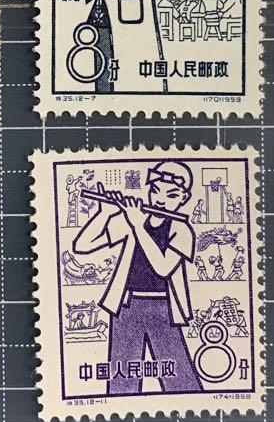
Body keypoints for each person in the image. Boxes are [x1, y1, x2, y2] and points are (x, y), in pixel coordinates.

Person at [72, 160, 203, 396]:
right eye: (156, 191)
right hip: (126, 306)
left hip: (163, 308)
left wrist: (137, 227)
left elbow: (163, 268)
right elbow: (82, 246)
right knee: (121, 382)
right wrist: (104, 213)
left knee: (181, 382)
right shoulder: (134, 218)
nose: (160, 201)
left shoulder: (181, 230)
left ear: (183, 198)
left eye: (171, 195)